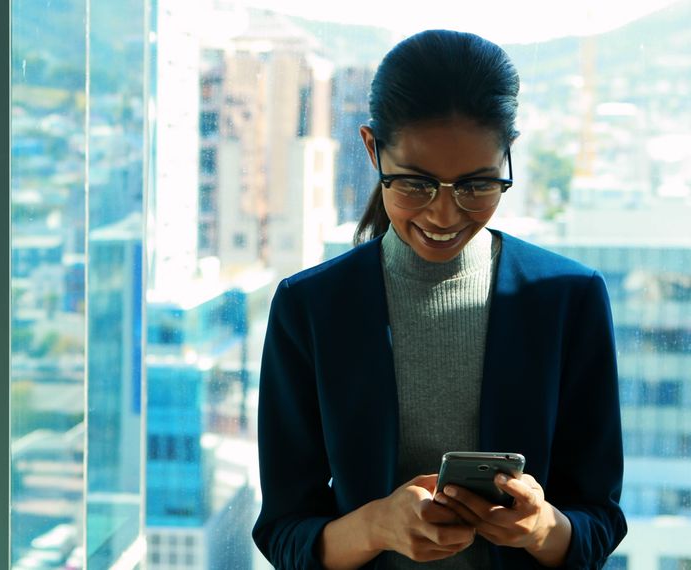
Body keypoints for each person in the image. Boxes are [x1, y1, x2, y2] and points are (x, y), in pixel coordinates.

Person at [251, 30, 626, 569]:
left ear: (507, 158)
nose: (445, 216)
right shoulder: (310, 308)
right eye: (415, 183)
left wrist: (542, 527)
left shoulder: (568, 299)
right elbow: (285, 532)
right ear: (371, 149)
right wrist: (377, 526)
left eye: (477, 185)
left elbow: (601, 520)